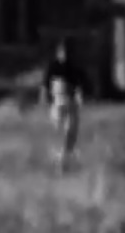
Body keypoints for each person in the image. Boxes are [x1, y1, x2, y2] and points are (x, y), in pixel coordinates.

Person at [41, 38, 86, 172]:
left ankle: (65, 158)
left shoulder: (71, 68)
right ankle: (59, 160)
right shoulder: (52, 67)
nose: (64, 55)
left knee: (70, 130)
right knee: (60, 131)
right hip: (57, 102)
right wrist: (44, 99)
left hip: (69, 101)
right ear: (58, 53)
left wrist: (78, 97)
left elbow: (77, 86)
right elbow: (45, 85)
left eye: (66, 52)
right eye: (62, 52)